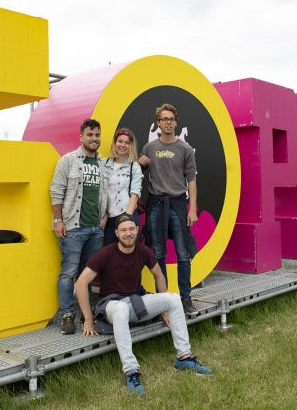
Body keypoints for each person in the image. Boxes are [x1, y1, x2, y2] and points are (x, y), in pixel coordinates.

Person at [75, 213, 213, 395]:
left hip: (135, 303)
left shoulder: (142, 251)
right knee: (121, 308)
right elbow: (81, 283)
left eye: (131, 229)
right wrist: (88, 319)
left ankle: (184, 358)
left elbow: (159, 275)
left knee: (172, 299)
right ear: (116, 233)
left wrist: (164, 310)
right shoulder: (106, 253)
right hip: (111, 306)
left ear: (137, 230)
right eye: (123, 230)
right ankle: (131, 371)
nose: (128, 233)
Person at [138, 104, 200, 316]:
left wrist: (192, 208)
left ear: (176, 122)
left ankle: (186, 298)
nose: (168, 122)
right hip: (156, 204)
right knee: (158, 253)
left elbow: (191, 180)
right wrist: (139, 164)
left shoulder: (185, 149)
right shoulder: (148, 148)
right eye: (164, 119)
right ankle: (162, 300)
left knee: (183, 253)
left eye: (171, 119)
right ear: (158, 122)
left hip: (178, 204)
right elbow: (137, 175)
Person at [50, 118, 108, 335]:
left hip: (95, 229)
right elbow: (56, 191)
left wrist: (104, 217)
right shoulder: (68, 161)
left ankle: (87, 313)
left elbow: (104, 194)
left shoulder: (102, 164)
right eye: (90, 135)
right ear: (81, 137)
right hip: (73, 228)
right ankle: (67, 314)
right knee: (68, 272)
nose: (94, 139)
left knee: (88, 274)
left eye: (97, 135)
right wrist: (58, 220)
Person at [102, 128, 143, 246]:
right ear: (114, 143)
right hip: (109, 218)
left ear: (131, 146)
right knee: (111, 254)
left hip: (127, 213)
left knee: (130, 253)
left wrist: (127, 219)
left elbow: (135, 193)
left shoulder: (134, 166)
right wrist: (104, 214)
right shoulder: (103, 164)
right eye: (120, 141)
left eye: (127, 142)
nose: (123, 145)